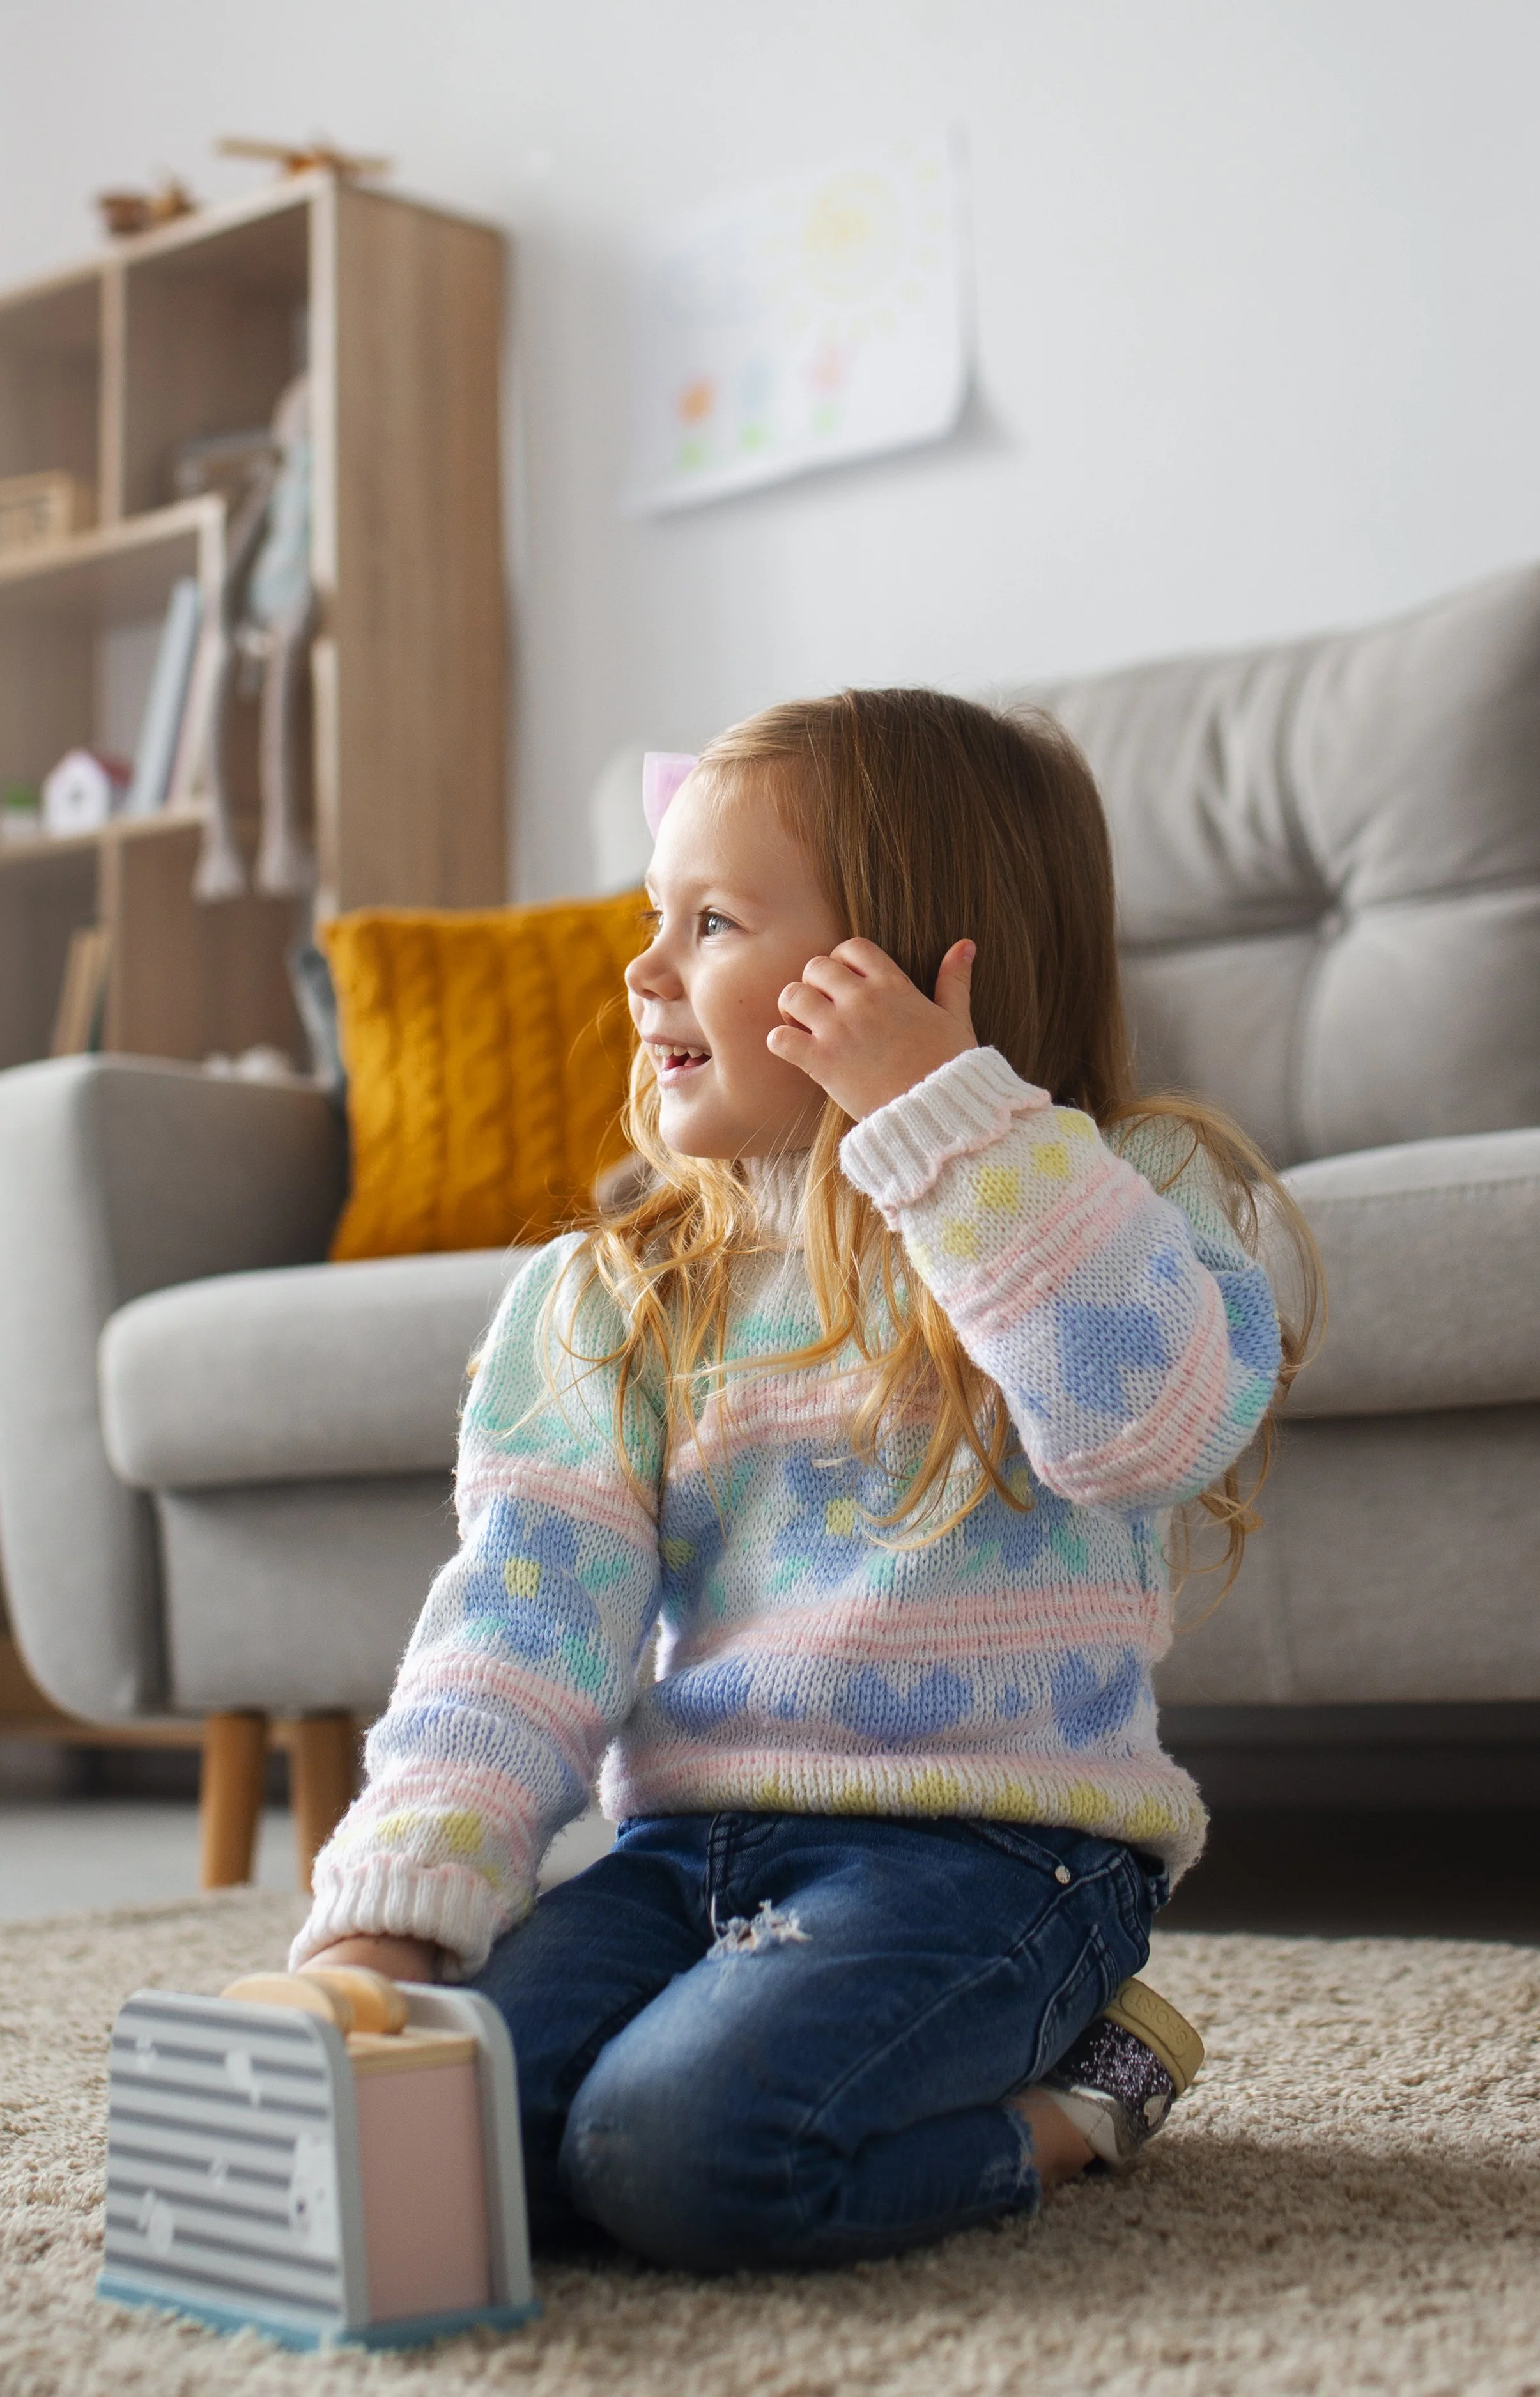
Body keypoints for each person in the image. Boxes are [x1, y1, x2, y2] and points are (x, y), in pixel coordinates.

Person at [292, 690, 1320, 2272]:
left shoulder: (1113, 1197)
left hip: (1000, 1852)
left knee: (683, 2160)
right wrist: (400, 1900)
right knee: (461, 2145)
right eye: (656, 916)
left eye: (707, 923)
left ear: (907, 968)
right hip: (682, 1853)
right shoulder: (609, 1291)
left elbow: (1144, 1433)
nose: (639, 971)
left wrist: (946, 1123)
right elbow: (520, 1619)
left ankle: (1079, 2095)